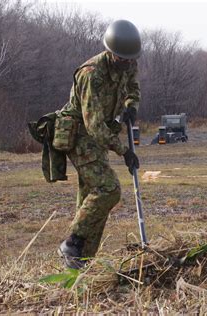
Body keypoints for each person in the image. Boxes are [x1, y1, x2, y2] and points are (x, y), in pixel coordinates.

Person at [57, 20, 142, 269]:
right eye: (122, 58)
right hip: (80, 135)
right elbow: (93, 126)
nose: (128, 63)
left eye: (130, 59)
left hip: (100, 135)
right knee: (108, 189)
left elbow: (133, 88)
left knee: (92, 200)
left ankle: (81, 261)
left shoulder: (128, 62)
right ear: (111, 52)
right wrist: (124, 151)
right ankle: (72, 242)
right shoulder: (91, 74)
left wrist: (130, 106)